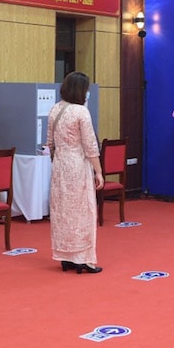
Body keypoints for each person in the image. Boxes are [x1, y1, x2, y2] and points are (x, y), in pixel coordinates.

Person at [47, 71, 105, 274]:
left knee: (62, 211)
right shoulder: (81, 112)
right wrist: (99, 172)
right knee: (82, 211)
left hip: (60, 165)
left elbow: (50, 143)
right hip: (77, 165)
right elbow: (90, 146)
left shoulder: (55, 109)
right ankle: (83, 258)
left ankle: (65, 256)